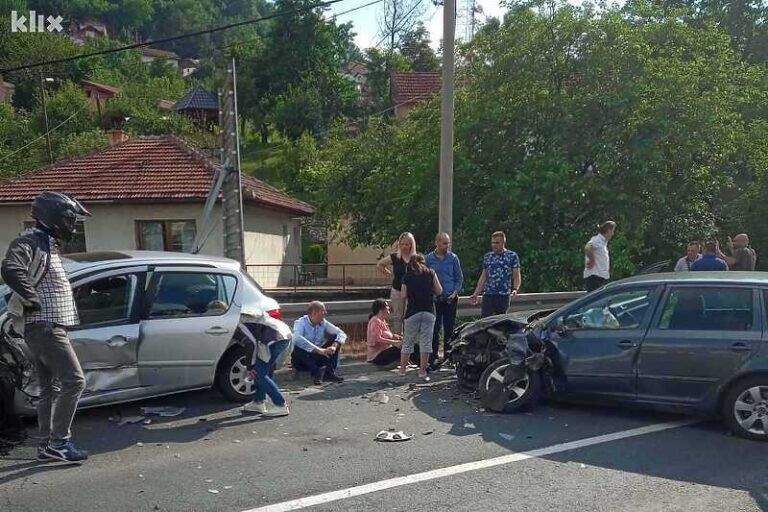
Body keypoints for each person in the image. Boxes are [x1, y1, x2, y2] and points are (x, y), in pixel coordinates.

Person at [1, 192, 91, 464]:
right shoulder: (30, 241)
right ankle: (59, 442)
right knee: (75, 381)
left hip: (47, 327)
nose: (73, 224)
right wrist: (32, 297)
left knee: (49, 388)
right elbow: (11, 268)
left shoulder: (48, 244)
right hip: (45, 327)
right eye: (69, 217)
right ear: (53, 217)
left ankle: (45, 444)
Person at [401, 253, 443, 379]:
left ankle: (402, 369)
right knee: (426, 341)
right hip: (429, 311)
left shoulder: (407, 276)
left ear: (411, 264)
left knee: (408, 341)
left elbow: (403, 295)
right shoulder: (431, 273)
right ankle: (422, 371)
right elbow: (440, 290)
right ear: (424, 262)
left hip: (412, 311)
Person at [426, 232, 463, 368]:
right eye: (444, 243)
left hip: (450, 299)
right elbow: (426, 277)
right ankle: (433, 356)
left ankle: (449, 356)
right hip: (435, 299)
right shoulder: (429, 258)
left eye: (448, 243)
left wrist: (454, 293)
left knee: (449, 328)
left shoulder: (453, 258)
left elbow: (459, 278)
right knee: (434, 329)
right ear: (437, 243)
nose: (446, 246)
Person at [239, 322, 290, 417]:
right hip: (281, 335)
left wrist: (250, 367)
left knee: (258, 374)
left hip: (275, 339)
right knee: (261, 370)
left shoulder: (236, 323)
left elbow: (250, 343)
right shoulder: (242, 316)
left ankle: (280, 404)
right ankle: (259, 401)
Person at [291, 301, 347, 385]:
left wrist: (334, 346)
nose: (326, 313)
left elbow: (341, 333)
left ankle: (329, 374)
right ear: (314, 313)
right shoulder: (300, 323)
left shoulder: (323, 322)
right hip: (302, 361)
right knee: (298, 346)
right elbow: (297, 338)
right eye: (323, 311)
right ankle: (317, 374)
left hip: (318, 358)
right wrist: (318, 350)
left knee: (335, 339)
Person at [469, 231, 521, 317]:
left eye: (497, 243)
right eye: (492, 243)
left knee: (501, 322)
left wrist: (515, 288)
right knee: (485, 321)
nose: (494, 245)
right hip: (489, 294)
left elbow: (516, 275)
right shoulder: (488, 257)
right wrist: (476, 293)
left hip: (503, 295)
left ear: (503, 243)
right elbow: (484, 276)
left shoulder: (512, 256)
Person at [376, 232, 417, 335]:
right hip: (397, 290)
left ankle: (408, 342)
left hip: (411, 292)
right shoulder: (395, 257)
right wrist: (389, 275)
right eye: (402, 244)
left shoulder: (415, 259)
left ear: (411, 245)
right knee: (397, 317)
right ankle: (397, 341)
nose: (404, 247)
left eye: (407, 244)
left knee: (409, 317)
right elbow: (380, 264)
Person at [366, 299, 404, 366]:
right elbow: (377, 338)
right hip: (376, 357)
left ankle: (423, 363)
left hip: (384, 352)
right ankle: (422, 365)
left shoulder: (382, 321)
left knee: (409, 345)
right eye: (387, 306)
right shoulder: (375, 321)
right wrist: (395, 343)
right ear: (381, 309)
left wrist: (400, 338)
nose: (389, 307)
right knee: (405, 348)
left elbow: (389, 335)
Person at [583, 221, 617, 292]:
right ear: (608, 230)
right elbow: (587, 247)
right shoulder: (597, 239)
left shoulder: (603, 243)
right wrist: (592, 260)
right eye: (612, 231)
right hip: (595, 277)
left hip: (601, 277)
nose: (613, 234)